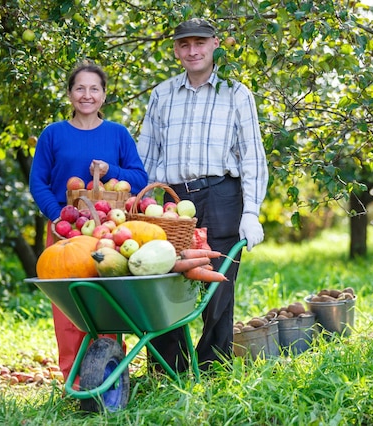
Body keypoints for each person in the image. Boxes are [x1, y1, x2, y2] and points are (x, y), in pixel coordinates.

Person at [137, 18, 268, 372]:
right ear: (176, 50)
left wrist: (251, 211)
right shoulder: (162, 94)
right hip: (171, 201)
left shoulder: (237, 93)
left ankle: (213, 365)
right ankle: (169, 366)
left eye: (200, 43)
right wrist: (140, 204)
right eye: (184, 44)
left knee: (219, 284)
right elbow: (146, 155)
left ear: (215, 44)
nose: (192, 50)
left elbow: (252, 157)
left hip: (222, 194)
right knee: (162, 279)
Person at [29, 62, 148, 381]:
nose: (87, 95)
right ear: (69, 94)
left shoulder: (118, 134)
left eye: (94, 88)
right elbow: (38, 182)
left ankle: (110, 377)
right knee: (69, 310)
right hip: (66, 235)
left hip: (108, 236)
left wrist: (112, 171)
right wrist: (57, 217)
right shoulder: (53, 134)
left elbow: (139, 178)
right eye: (80, 88)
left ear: (104, 95)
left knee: (107, 305)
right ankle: (74, 381)